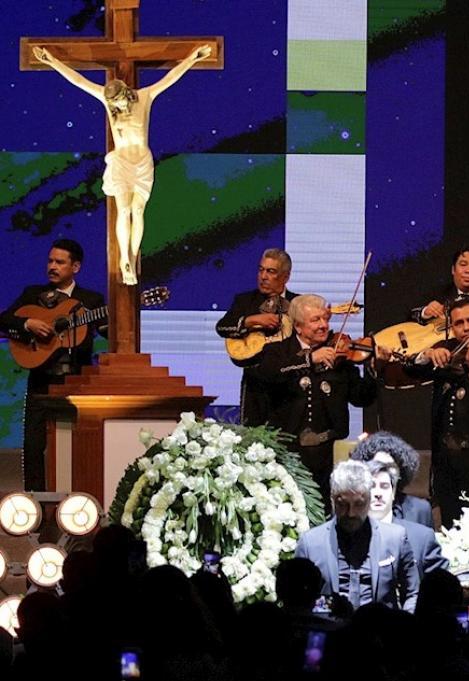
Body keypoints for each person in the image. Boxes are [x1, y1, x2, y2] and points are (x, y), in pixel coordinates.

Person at [32, 44, 214, 285]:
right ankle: (123, 260)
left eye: (118, 103)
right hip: (121, 161)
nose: (116, 108)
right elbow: (79, 81)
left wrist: (192, 57)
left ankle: (133, 255)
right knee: (124, 209)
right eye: (113, 105)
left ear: (125, 94)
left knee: (138, 211)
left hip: (141, 163)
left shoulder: (145, 97)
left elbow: (170, 78)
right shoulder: (109, 104)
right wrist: (52, 61)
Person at [0, 239, 105, 490]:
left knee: (78, 441)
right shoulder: (32, 295)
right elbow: (3, 320)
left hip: (77, 381)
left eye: (60, 262)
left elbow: (109, 332)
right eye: (50, 261)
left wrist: (117, 318)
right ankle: (36, 502)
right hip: (41, 379)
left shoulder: (90, 299)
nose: (52, 266)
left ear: (75, 267)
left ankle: (79, 498)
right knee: (34, 445)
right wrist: (28, 324)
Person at [253, 295, 379, 503]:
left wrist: (376, 369)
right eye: (315, 320)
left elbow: (362, 398)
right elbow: (269, 374)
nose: (323, 326)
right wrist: (309, 359)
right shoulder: (277, 352)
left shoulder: (340, 358)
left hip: (329, 456)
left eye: (325, 319)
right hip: (288, 454)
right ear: (298, 327)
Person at [401, 297, 469, 527]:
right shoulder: (447, 350)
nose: (466, 327)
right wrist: (426, 354)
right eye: (459, 323)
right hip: (446, 460)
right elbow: (409, 369)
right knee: (450, 526)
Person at [295, 460, 420, 612]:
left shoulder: (395, 538)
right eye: (343, 504)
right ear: (332, 499)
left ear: (369, 499)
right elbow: (297, 602)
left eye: (359, 504)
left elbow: (413, 593)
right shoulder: (310, 543)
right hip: (330, 631)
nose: (351, 513)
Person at [215, 248, 299, 426]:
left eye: (271, 271)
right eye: (261, 270)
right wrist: (251, 321)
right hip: (255, 386)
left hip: (289, 386)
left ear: (285, 277)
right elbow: (222, 327)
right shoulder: (245, 301)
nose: (263, 276)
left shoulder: (298, 303)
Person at [366, 460, 449, 578]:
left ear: (393, 493)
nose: (378, 493)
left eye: (384, 486)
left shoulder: (421, 537)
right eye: (372, 486)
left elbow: (443, 587)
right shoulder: (345, 536)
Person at [350, 431, 434, 527]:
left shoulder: (420, 510)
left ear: (401, 469)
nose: (384, 471)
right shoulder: (350, 508)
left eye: (390, 466)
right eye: (378, 465)